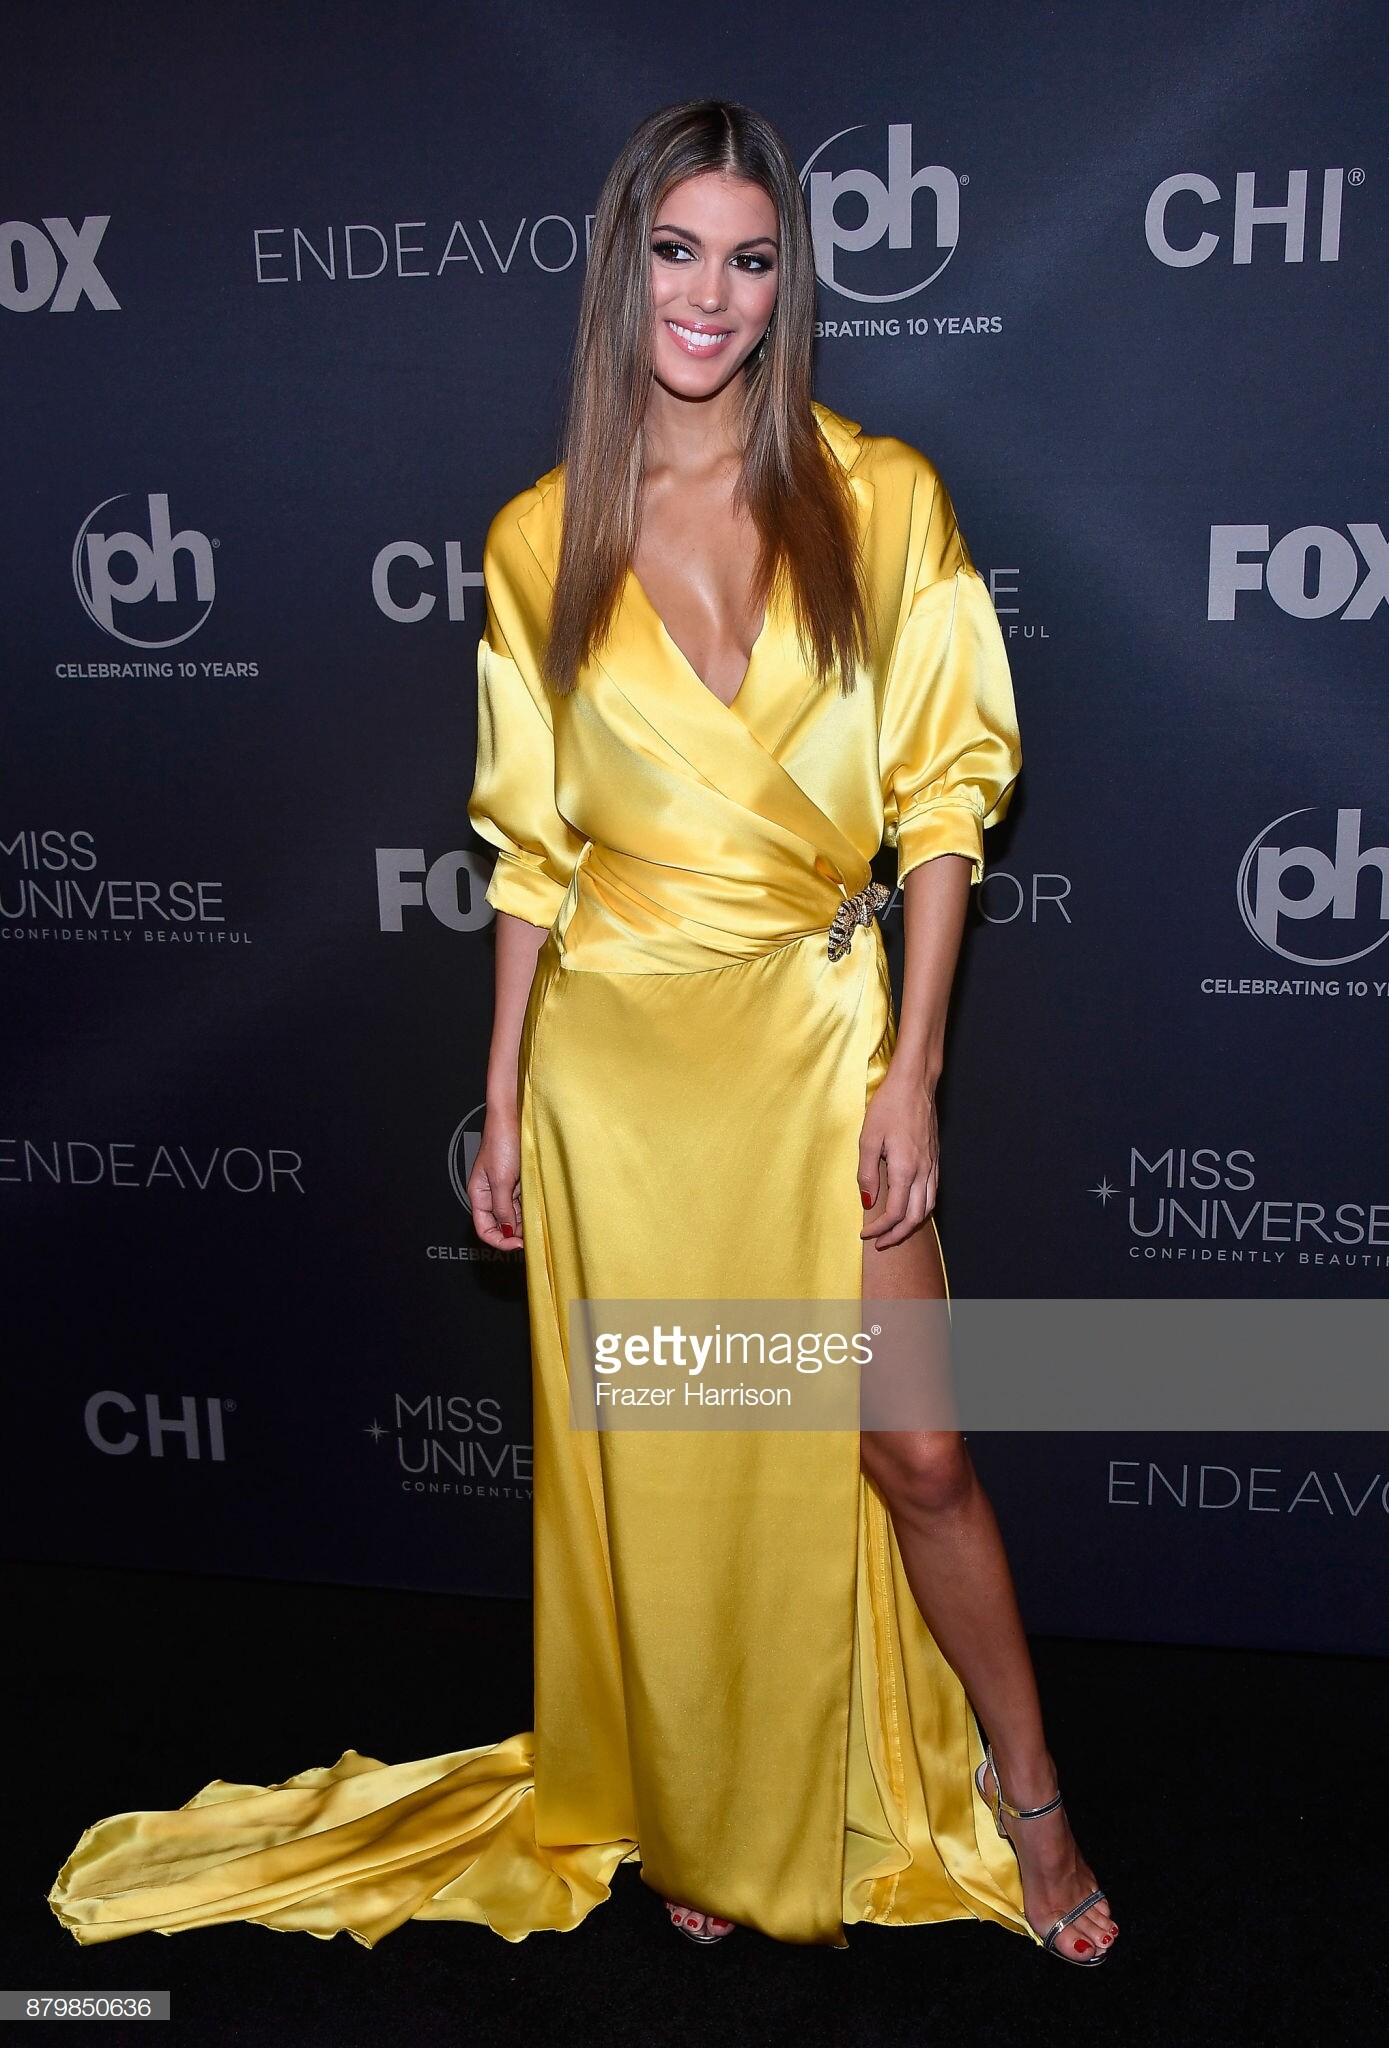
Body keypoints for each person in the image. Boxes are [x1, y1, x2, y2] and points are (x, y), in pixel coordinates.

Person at [47, 99, 1117, 1969]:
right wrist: (494, 1098)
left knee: (918, 1454)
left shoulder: (882, 497)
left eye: (751, 259)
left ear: (787, 287)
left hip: (817, 1038)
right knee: (678, 1463)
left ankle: (1028, 1797)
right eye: (677, 250)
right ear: (623, 266)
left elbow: (946, 795)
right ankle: (705, 1803)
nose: (711, 295)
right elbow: (532, 855)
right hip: (613, 1070)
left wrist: (914, 1067)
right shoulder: (538, 540)